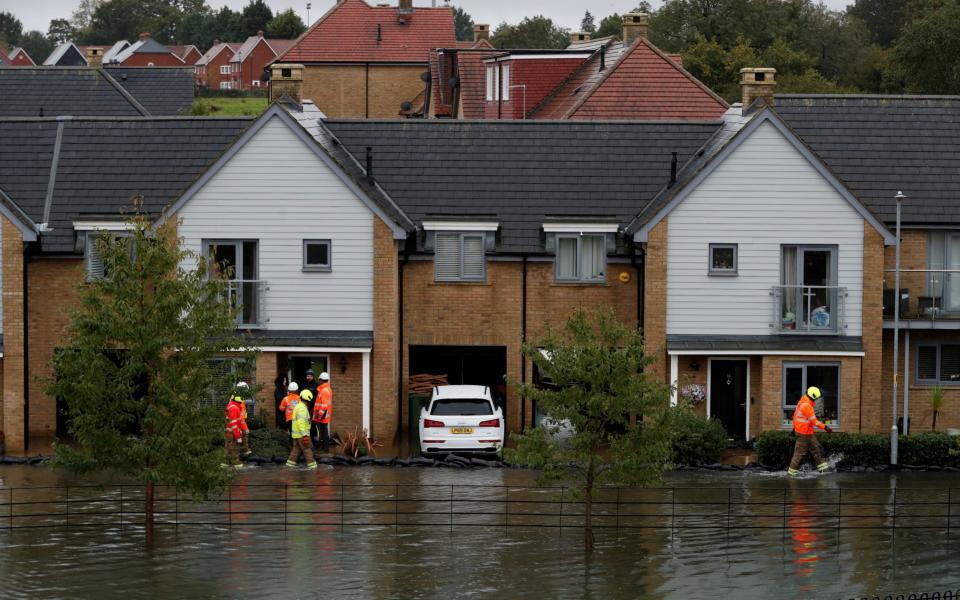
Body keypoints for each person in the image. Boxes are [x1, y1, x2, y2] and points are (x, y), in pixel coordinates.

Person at [788, 386, 832, 476]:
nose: (817, 399)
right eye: (817, 398)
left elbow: (796, 416)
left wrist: (794, 429)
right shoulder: (807, 406)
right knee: (799, 455)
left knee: (817, 449)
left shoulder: (803, 402)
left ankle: (823, 470)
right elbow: (814, 421)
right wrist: (825, 427)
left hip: (808, 433)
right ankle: (791, 475)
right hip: (803, 434)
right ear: (813, 396)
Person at [286, 389, 317, 469]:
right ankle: (313, 467)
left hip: (296, 435)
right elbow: (301, 422)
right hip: (302, 435)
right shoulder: (302, 408)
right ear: (308, 399)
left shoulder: (299, 406)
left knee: (296, 450)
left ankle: (289, 466)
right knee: (307, 450)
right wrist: (305, 435)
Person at [223, 392, 245, 469]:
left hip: (227, 431)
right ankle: (237, 464)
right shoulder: (235, 408)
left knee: (227, 447)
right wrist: (238, 436)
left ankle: (225, 463)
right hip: (232, 432)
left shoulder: (229, 406)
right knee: (234, 448)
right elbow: (234, 424)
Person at [312, 372, 333, 452]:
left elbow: (324, 405)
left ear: (321, 380)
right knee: (324, 432)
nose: (318, 381)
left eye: (319, 380)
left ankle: (325, 449)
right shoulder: (327, 389)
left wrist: (319, 415)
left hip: (322, 415)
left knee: (323, 433)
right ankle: (325, 448)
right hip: (324, 415)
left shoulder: (324, 391)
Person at [234, 382, 253, 458]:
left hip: (241, 422)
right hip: (238, 422)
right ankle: (236, 456)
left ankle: (246, 451)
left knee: (245, 435)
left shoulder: (238, 397)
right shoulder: (237, 399)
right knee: (237, 439)